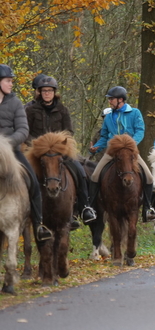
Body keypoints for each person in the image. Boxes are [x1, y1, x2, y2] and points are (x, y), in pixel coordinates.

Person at [25, 76, 97, 227]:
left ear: (54, 92)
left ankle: (84, 208)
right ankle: (26, 210)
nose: (47, 93)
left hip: (59, 151)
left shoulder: (63, 110)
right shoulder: (31, 110)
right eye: (44, 91)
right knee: (25, 174)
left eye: (49, 91)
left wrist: (58, 144)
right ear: (39, 92)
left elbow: (69, 131)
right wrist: (39, 144)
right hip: (38, 152)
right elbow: (26, 131)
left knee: (81, 170)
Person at [0, 64, 53, 241]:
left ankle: (39, 224)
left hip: (12, 152)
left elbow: (23, 130)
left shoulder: (15, 103)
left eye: (12, 81)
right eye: (8, 80)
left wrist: (6, 144)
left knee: (34, 182)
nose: (11, 84)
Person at [88, 86, 155, 222]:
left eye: (111, 99)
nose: (110, 101)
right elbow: (104, 136)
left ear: (120, 100)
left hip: (130, 152)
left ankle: (148, 209)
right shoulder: (108, 118)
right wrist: (96, 147)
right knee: (95, 175)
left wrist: (131, 144)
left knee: (149, 177)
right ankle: (90, 208)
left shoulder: (135, 113)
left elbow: (140, 131)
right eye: (109, 99)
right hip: (112, 152)